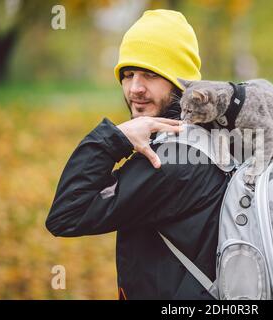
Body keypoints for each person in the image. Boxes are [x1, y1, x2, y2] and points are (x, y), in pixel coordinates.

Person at [45, 9, 230, 300]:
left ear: (181, 83)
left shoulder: (169, 162)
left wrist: (115, 138)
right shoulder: (208, 134)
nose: (135, 88)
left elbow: (66, 214)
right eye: (128, 74)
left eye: (151, 74)